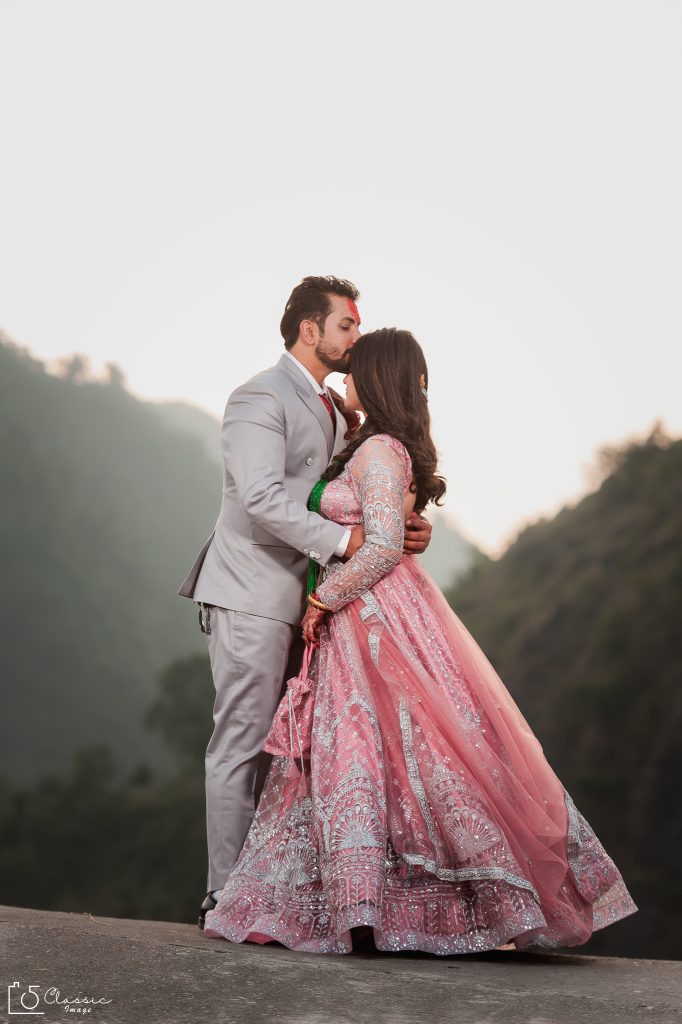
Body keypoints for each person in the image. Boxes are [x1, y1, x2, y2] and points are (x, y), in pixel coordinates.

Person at [202, 328, 638, 955]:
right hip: (364, 609)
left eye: (356, 369)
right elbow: (378, 527)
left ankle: (380, 902)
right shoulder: (370, 441)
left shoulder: (378, 449)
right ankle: (368, 899)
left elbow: (379, 544)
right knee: (379, 753)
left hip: (368, 613)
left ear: (375, 378)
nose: (345, 377)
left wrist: (325, 598)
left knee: (395, 750)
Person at [177, 279, 433, 928]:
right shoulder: (261, 395)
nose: (355, 338)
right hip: (254, 593)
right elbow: (261, 499)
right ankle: (222, 895)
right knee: (243, 744)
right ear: (308, 330)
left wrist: (402, 530)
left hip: (321, 605)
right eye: (345, 325)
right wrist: (350, 541)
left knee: (299, 753)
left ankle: (278, 898)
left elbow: (355, 491)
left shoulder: (338, 410)